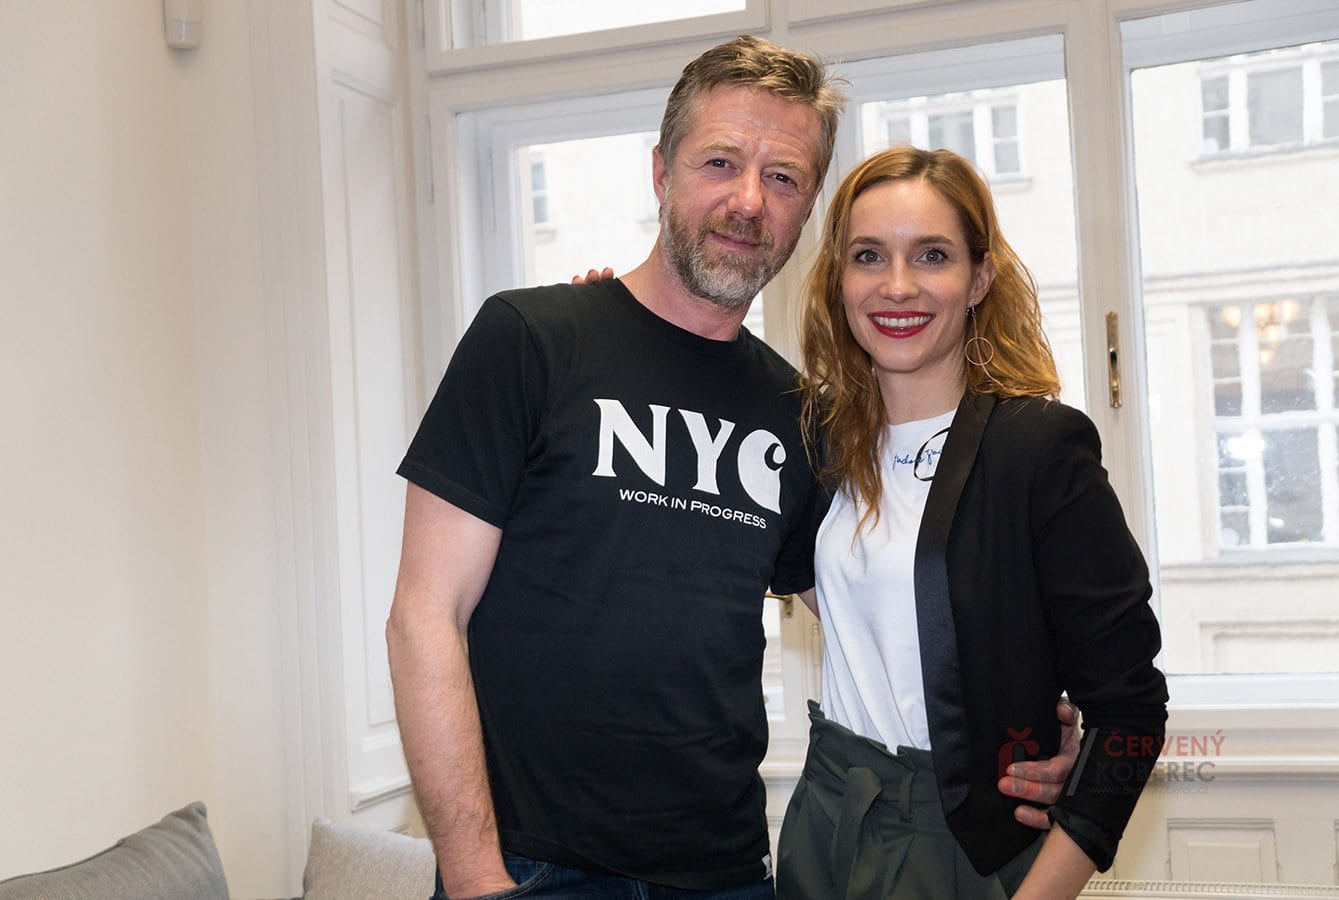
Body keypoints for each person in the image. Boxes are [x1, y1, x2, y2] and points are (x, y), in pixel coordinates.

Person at [388, 36, 1076, 900]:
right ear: (660, 171)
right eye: (720, 162)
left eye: (782, 178)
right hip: (533, 867)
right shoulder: (531, 341)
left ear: (807, 209)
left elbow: (885, 610)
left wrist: (1025, 725)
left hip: (726, 872)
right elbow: (424, 616)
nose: (748, 201)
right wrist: (477, 878)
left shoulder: (797, 413)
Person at [775, 146, 1169, 899]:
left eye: (932, 255)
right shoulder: (815, 441)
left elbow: (1130, 716)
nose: (897, 285)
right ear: (836, 280)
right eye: (867, 255)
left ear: (979, 278)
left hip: (958, 843)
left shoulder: (1037, 449)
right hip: (824, 820)